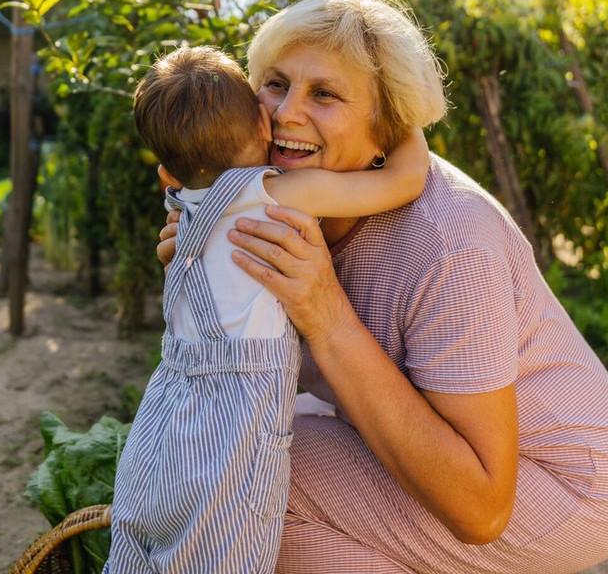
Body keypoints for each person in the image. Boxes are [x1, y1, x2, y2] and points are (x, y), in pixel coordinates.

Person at [156, 0, 608, 573]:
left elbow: (481, 508)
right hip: (443, 454)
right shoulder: (270, 204)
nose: (286, 112)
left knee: (248, 479)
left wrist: (325, 312)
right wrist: (206, 278)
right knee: (221, 467)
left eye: (326, 94)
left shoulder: (450, 244)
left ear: (384, 128)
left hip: (557, 489)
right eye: (275, 83)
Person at [105, 45, 429, 574]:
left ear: (167, 171)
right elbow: (405, 180)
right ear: (264, 123)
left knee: (146, 533)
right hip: (238, 418)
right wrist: (403, 118)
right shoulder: (278, 193)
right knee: (228, 548)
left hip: (169, 408)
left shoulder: (181, 203)